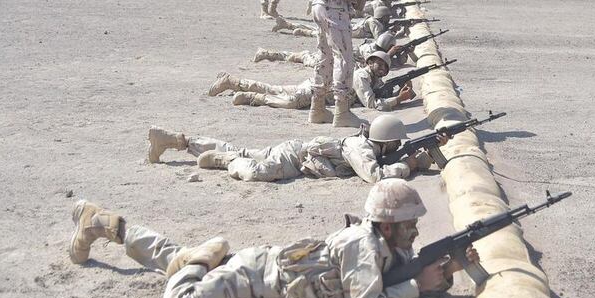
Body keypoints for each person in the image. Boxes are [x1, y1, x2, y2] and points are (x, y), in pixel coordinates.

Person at [67, 179, 478, 298]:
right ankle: (202, 258)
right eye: (409, 225)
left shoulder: (382, 241)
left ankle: (106, 224)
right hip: (255, 281)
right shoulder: (363, 246)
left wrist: (449, 267)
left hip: (260, 264)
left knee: (170, 259)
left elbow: (408, 266)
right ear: (388, 225)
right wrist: (419, 290)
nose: (416, 230)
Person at [147, 113, 441, 183]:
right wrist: (409, 166)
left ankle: (176, 141)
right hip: (295, 159)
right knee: (260, 171)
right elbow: (374, 177)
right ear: (385, 140)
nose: (397, 146)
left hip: (296, 150)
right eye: (395, 142)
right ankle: (226, 161)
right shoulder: (359, 148)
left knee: (247, 150)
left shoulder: (368, 145)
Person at [309, 0, 373, 127]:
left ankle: (317, 108)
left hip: (321, 5)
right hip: (334, 9)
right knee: (344, 58)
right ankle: (342, 111)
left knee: (325, 57)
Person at [209, 51, 415, 112]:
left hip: (317, 89)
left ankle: (233, 81)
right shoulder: (362, 77)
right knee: (290, 102)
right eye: (378, 64)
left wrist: (401, 92)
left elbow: (380, 92)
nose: (381, 68)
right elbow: (371, 104)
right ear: (370, 63)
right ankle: (252, 97)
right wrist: (399, 99)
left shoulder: (372, 80)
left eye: (385, 67)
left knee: (274, 88)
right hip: (317, 93)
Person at [251, 31, 399, 68]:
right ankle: (267, 53)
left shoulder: (374, 47)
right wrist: (390, 54)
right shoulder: (370, 50)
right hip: (332, 60)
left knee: (304, 57)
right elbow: (375, 65)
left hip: (338, 57)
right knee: (303, 57)